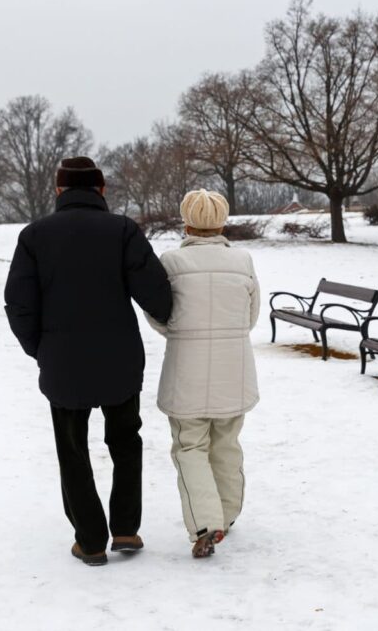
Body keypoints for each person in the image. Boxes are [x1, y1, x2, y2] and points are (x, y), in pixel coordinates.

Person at [4, 156, 172, 566]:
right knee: (126, 443)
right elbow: (158, 297)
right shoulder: (122, 231)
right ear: (101, 190)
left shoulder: (34, 236)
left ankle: (91, 540)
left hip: (63, 365)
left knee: (73, 451)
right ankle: (127, 528)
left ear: (59, 190)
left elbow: (19, 305)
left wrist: (42, 350)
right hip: (120, 362)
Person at [147, 189, 260, 558]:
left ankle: (206, 524)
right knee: (227, 444)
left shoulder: (171, 261)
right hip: (234, 368)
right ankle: (226, 516)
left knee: (190, 447)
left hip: (186, 371)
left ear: (187, 220)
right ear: (222, 221)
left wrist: (182, 333)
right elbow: (250, 316)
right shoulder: (243, 261)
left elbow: (158, 314)